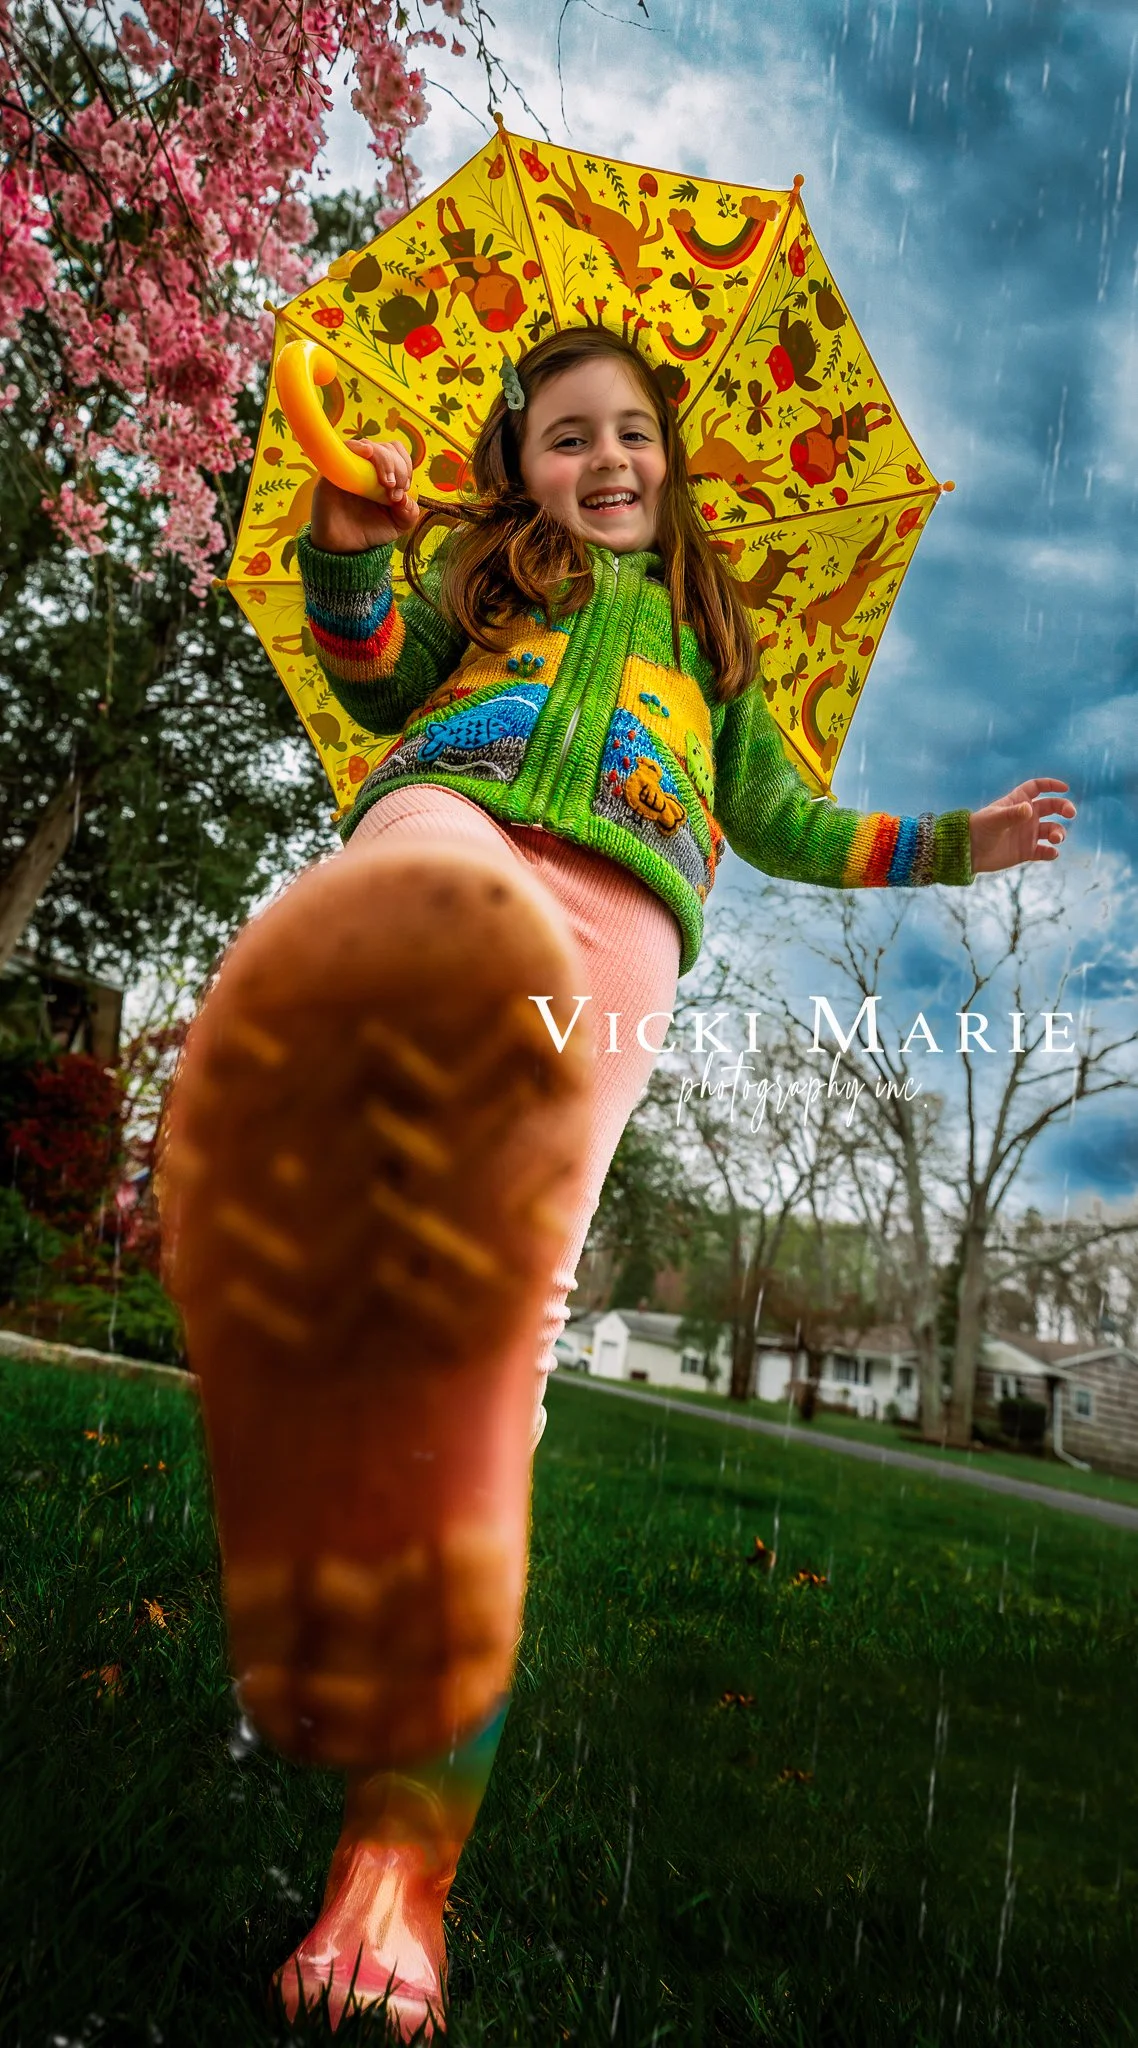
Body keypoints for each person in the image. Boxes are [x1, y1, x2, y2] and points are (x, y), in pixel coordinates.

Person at [160, 327, 1075, 2038]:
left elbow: (794, 827)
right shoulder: (474, 579)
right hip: (445, 824)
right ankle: (309, 1097)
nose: (605, 461)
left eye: (633, 435)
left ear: (671, 464)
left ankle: (397, 1876)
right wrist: (353, 547)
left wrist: (963, 842)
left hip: (619, 929)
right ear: (520, 467)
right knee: (439, 892)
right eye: (566, 436)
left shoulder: (717, 646)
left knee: (498, 1351)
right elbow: (362, 677)